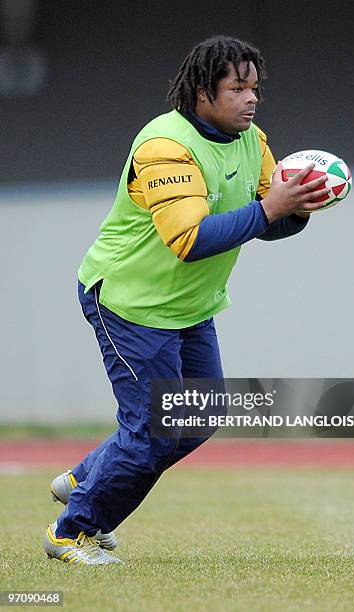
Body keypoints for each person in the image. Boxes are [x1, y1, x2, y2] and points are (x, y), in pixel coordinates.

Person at [43, 35, 329, 565]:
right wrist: (273, 209)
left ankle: (85, 478)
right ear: (202, 90)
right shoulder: (164, 146)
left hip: (188, 307)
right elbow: (190, 239)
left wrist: (302, 207)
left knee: (198, 416)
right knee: (155, 430)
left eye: (255, 88)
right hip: (128, 300)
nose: (251, 99)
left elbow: (267, 220)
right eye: (237, 88)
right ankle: (70, 531)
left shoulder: (252, 139)